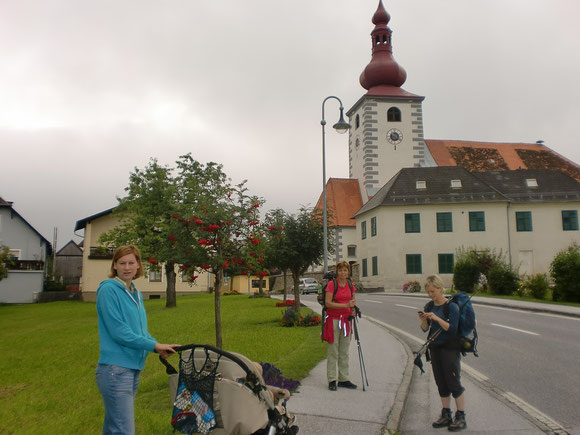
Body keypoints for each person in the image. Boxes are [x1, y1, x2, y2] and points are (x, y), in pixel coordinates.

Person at [95, 245, 179, 435]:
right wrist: (154, 345)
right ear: (114, 265)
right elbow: (118, 331)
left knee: (114, 428)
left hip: (132, 369)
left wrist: (157, 346)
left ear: (138, 265)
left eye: (131, 263)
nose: (127, 267)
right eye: (122, 263)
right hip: (115, 371)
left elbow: (140, 331)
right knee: (124, 430)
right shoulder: (108, 290)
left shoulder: (135, 293)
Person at [418, 275, 467, 432]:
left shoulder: (451, 307)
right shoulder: (429, 306)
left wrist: (437, 318)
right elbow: (425, 329)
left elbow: (452, 330)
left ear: (440, 289)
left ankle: (461, 416)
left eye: (433, 291)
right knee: (441, 382)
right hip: (435, 348)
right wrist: (424, 319)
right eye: (428, 292)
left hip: (450, 348)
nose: (430, 295)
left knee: (453, 382)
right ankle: (446, 413)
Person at [322, 261, 357, 391]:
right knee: (333, 351)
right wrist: (345, 306)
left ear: (348, 272)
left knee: (344, 352)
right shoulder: (332, 285)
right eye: (341, 270)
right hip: (334, 320)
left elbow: (353, 300)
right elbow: (328, 303)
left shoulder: (350, 284)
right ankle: (332, 379)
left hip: (347, 320)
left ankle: (344, 378)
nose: (343, 273)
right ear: (337, 272)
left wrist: (353, 308)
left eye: (345, 270)